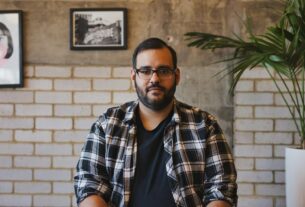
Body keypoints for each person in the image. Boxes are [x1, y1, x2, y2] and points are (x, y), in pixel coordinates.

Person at [74, 37, 238, 207]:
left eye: (164, 70)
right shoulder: (107, 124)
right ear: (133, 76)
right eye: (145, 71)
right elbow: (89, 185)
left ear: (177, 76)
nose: (154, 79)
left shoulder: (204, 125)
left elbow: (222, 189)